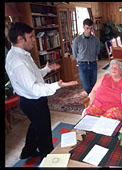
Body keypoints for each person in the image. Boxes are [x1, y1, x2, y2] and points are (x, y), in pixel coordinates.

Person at [5, 22, 78, 159]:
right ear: (20, 38)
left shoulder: (20, 55)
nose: (34, 39)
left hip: (30, 99)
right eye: (31, 36)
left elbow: (33, 76)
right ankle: (50, 157)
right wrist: (57, 85)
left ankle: (27, 151)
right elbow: (34, 89)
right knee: (44, 131)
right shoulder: (18, 61)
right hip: (32, 100)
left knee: (36, 124)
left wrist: (46, 69)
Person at [72, 18, 101, 95]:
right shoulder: (77, 40)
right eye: (87, 28)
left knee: (93, 85)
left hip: (93, 64)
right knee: (86, 86)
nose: (89, 30)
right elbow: (75, 52)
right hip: (82, 65)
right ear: (83, 27)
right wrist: (79, 60)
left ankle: (92, 101)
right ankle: (91, 98)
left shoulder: (96, 40)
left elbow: (97, 51)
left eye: (91, 28)